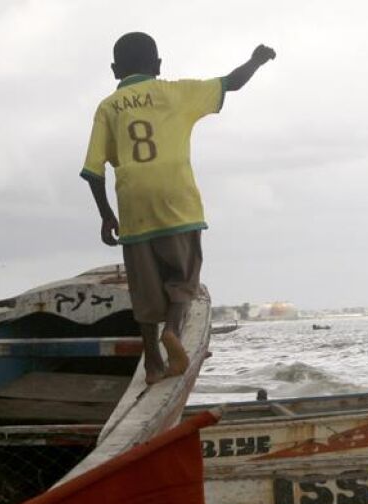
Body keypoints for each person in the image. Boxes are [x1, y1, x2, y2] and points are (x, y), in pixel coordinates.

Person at [80, 32, 275, 384]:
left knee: (144, 292)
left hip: (134, 205)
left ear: (115, 70)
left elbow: (93, 171)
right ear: (157, 65)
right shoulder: (176, 92)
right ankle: (172, 330)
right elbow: (231, 83)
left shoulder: (108, 107)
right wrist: (256, 61)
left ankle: (153, 364)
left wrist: (106, 215)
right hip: (177, 201)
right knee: (184, 279)